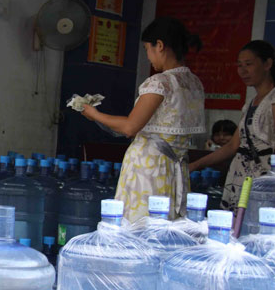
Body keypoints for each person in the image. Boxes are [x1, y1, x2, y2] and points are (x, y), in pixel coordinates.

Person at [81, 17, 205, 222]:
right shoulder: (194, 84)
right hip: (176, 168)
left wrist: (94, 114)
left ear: (160, 45)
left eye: (148, 49)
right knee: (165, 228)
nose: (148, 56)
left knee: (141, 226)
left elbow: (130, 127)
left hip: (149, 168)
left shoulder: (161, 82)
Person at [190, 40, 275, 210]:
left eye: (248, 64)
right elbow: (232, 146)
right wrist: (195, 165)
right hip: (240, 177)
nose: (243, 71)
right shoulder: (251, 103)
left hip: (262, 180)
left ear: (267, 64)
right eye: (239, 65)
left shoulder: (272, 101)